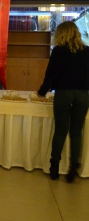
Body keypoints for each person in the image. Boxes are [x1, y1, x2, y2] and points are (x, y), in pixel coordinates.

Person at [36, 21, 89, 183]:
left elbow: (50, 74)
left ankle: (54, 168)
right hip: (83, 95)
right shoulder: (87, 51)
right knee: (76, 131)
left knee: (60, 130)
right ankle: (73, 168)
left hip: (63, 94)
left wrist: (42, 92)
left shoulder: (58, 51)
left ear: (61, 34)